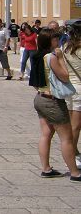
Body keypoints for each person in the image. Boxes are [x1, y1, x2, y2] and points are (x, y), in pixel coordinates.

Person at [29, 28, 81, 182]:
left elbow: (33, 80)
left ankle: (46, 168)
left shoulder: (37, 56)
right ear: (49, 41)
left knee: (46, 134)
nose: (58, 41)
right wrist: (60, 59)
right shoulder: (51, 57)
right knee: (67, 138)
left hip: (40, 97)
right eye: (55, 39)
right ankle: (75, 172)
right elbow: (65, 76)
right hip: (52, 101)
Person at [63, 21, 81, 169]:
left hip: (69, 88)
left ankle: (73, 151)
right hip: (80, 89)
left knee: (70, 124)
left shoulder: (65, 48)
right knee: (76, 126)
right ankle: (72, 154)